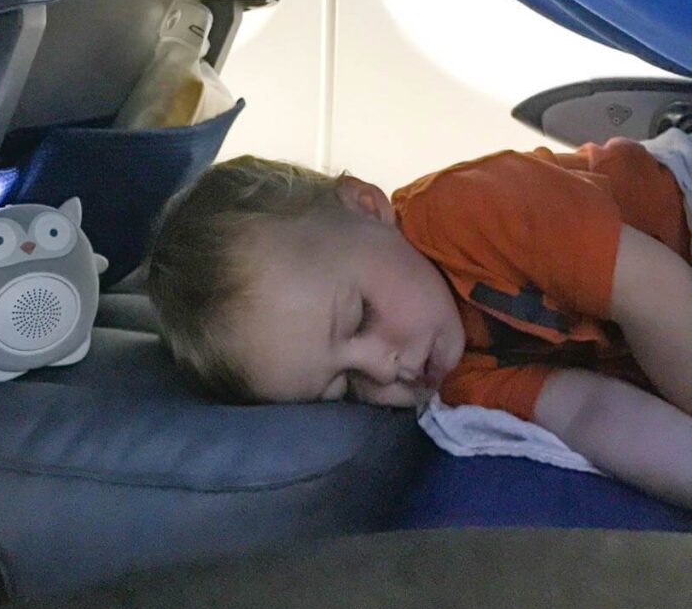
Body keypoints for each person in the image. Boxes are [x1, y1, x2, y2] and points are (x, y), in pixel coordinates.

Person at [147, 135, 692, 508]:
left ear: (369, 208)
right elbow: (589, 411)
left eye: (361, 318)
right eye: (346, 386)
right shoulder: (453, 380)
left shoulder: (472, 211)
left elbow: (653, 292)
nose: (386, 369)